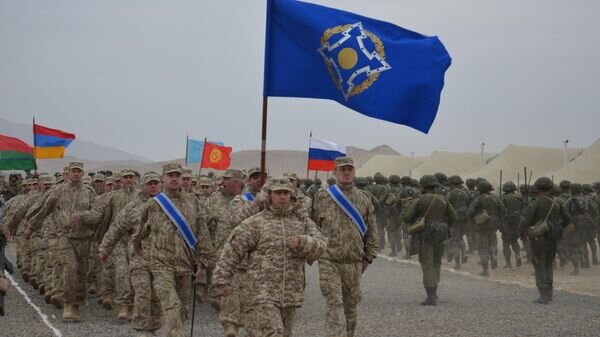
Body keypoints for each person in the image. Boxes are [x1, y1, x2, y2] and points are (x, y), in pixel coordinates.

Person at [214, 177, 327, 337]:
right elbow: (232, 250)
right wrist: (221, 279)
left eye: (286, 193)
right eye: (278, 193)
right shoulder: (256, 223)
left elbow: (321, 245)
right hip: (262, 293)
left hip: (291, 293)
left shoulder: (301, 222)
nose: (282, 196)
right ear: (270, 196)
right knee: (274, 333)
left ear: (291, 196)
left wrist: (303, 243)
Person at [132, 163, 214, 337]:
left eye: (178, 175)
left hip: (186, 263)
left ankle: (172, 331)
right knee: (172, 305)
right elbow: (140, 232)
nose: (175, 178)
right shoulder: (153, 205)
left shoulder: (193, 202)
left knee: (182, 308)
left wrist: (203, 261)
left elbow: (203, 231)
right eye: (171, 175)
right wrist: (138, 252)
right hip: (161, 264)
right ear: (163, 178)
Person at [311, 156, 378, 337]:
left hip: (354, 262)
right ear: (335, 172)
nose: (346, 172)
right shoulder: (322, 197)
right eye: (342, 169)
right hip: (329, 260)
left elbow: (372, 230)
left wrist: (368, 257)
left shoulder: (363, 198)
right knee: (334, 304)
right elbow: (313, 226)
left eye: (350, 169)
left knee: (350, 308)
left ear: (354, 172)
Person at [26, 162, 96, 321]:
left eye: (79, 171)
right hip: (64, 237)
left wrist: (84, 215)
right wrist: (30, 227)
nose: (76, 174)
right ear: (68, 173)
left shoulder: (89, 192)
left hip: (84, 238)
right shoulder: (58, 191)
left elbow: (97, 213)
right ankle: (68, 306)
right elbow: (43, 209)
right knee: (70, 269)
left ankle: (77, 302)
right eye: (73, 171)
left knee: (82, 273)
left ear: (83, 173)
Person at [99, 172, 163, 337]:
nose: (153, 186)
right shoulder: (134, 207)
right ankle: (143, 330)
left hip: (163, 259)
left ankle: (152, 327)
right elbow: (117, 228)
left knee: (157, 296)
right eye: (150, 183)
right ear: (143, 186)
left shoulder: (170, 206)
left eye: (156, 183)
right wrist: (105, 248)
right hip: (139, 257)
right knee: (142, 292)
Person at [402, 175, 457, 305]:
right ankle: (434, 292)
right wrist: (444, 225)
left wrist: (405, 207)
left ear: (423, 186)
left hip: (425, 234)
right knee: (437, 262)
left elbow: (406, 217)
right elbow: (454, 216)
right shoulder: (443, 199)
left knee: (427, 263)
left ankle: (431, 297)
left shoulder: (419, 200)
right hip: (441, 233)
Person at [519, 177, 570, 304]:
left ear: (537, 188)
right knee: (549, 263)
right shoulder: (557, 202)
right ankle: (550, 294)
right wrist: (557, 228)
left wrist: (522, 233)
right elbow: (567, 220)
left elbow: (526, 221)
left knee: (539, 264)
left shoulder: (536, 203)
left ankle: (543, 295)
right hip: (553, 237)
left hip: (538, 238)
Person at [468, 180, 506, 277]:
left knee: (482, 248)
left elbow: (470, 212)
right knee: (492, 243)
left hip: (481, 226)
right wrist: (498, 220)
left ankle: (485, 271)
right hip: (493, 225)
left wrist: (475, 219)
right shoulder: (495, 198)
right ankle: (493, 255)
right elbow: (503, 210)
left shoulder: (478, 199)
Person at [501, 181, 524, 269]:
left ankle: (508, 263)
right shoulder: (519, 197)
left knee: (506, 243)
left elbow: (501, 209)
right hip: (517, 220)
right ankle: (518, 255)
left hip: (507, 221)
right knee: (514, 240)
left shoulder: (504, 198)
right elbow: (522, 207)